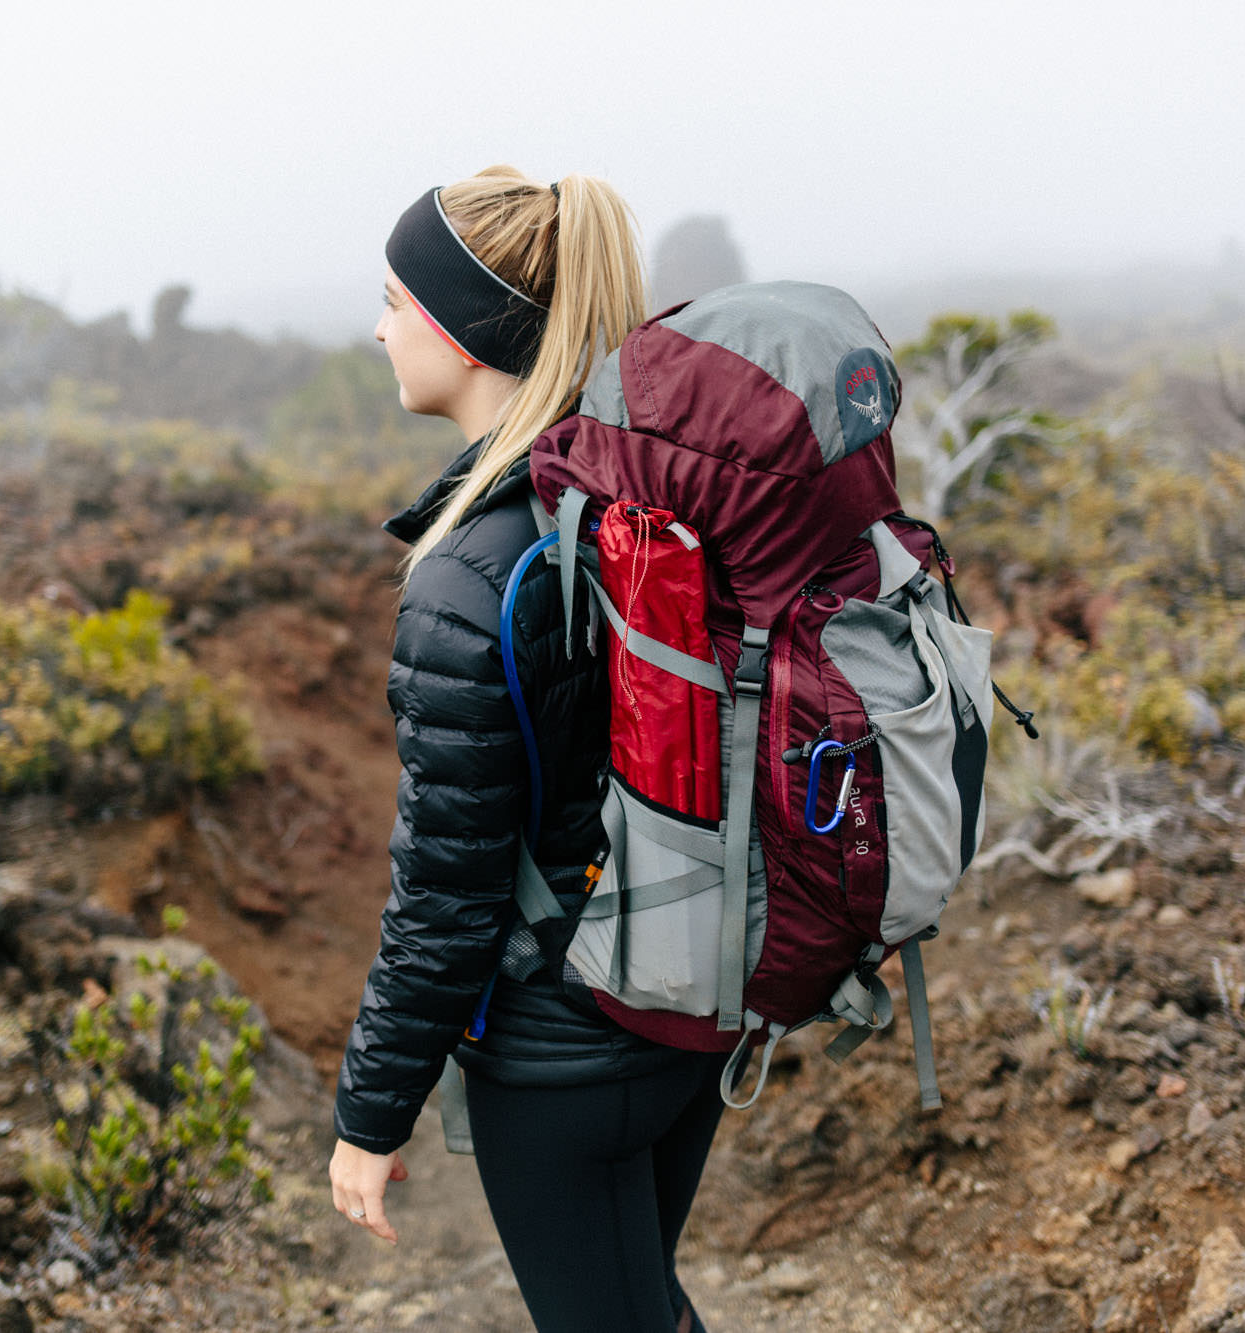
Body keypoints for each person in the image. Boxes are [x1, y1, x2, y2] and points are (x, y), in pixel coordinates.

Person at [329, 166, 723, 1333]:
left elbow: (445, 893)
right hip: (690, 1000)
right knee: (636, 1300)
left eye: (395, 300)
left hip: (564, 1050)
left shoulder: (470, 574)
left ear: (462, 329)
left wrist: (369, 1114)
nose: (379, 327)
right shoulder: (635, 496)